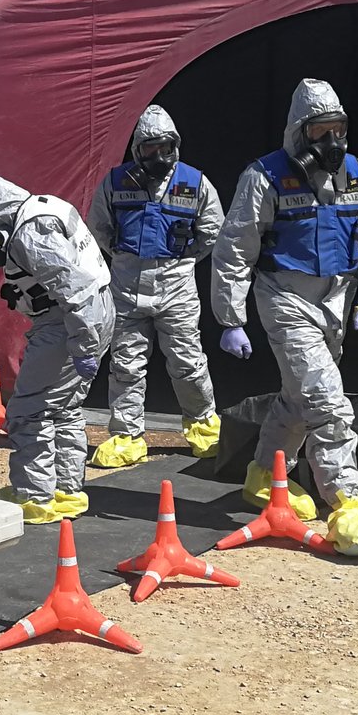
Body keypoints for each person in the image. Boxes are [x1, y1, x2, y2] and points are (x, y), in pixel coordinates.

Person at [210, 78, 358, 555]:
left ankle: (261, 474)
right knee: (327, 401)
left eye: (338, 129)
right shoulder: (264, 177)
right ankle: (348, 505)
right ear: (299, 133)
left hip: (338, 295)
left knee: (298, 398)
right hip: (285, 297)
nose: (331, 142)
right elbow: (235, 249)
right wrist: (230, 318)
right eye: (320, 131)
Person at [0, 171, 113, 523]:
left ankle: (35, 496)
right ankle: (66, 491)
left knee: (30, 411)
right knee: (64, 408)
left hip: (68, 324)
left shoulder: (30, 233)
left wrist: (83, 344)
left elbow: (74, 288)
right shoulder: (41, 211)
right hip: (91, 315)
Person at [84, 104, 223, 467]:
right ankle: (127, 436)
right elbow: (98, 224)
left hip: (177, 287)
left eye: (165, 147)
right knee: (126, 365)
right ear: (137, 150)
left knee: (188, 363)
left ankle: (204, 427)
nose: (159, 155)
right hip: (127, 287)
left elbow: (212, 231)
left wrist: (185, 258)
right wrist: (120, 254)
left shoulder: (195, 183)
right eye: (150, 148)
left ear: (175, 146)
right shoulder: (116, 182)